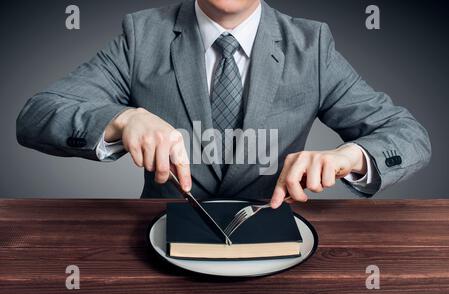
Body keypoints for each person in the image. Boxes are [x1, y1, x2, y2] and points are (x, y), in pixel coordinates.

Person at [16, 0, 431, 208]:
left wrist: (351, 155)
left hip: (278, 250)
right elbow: (37, 114)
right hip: (160, 246)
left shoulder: (312, 46)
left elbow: (409, 136)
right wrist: (121, 119)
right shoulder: (143, 36)